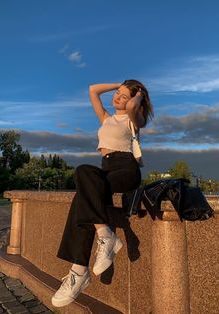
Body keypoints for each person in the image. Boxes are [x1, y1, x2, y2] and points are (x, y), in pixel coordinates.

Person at [52, 79, 153, 307]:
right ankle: (99, 243)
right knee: (83, 176)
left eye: (123, 95)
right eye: (117, 93)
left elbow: (130, 107)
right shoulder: (106, 117)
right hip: (105, 169)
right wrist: (122, 83)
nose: (117, 97)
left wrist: (138, 95)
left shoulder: (134, 119)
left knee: (84, 191)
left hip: (126, 168)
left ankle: (79, 271)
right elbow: (92, 90)